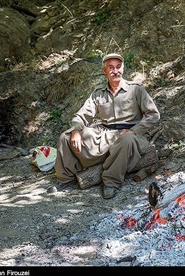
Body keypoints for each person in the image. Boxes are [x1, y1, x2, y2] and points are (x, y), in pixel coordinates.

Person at [54, 53, 160, 199]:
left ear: (123, 69)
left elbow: (153, 114)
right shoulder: (98, 93)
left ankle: (111, 182)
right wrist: (76, 130)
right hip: (106, 134)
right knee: (66, 137)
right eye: (110, 67)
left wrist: (133, 130)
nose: (115, 71)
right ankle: (65, 179)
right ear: (104, 71)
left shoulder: (136, 89)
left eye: (118, 67)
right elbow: (81, 115)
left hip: (133, 135)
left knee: (126, 140)